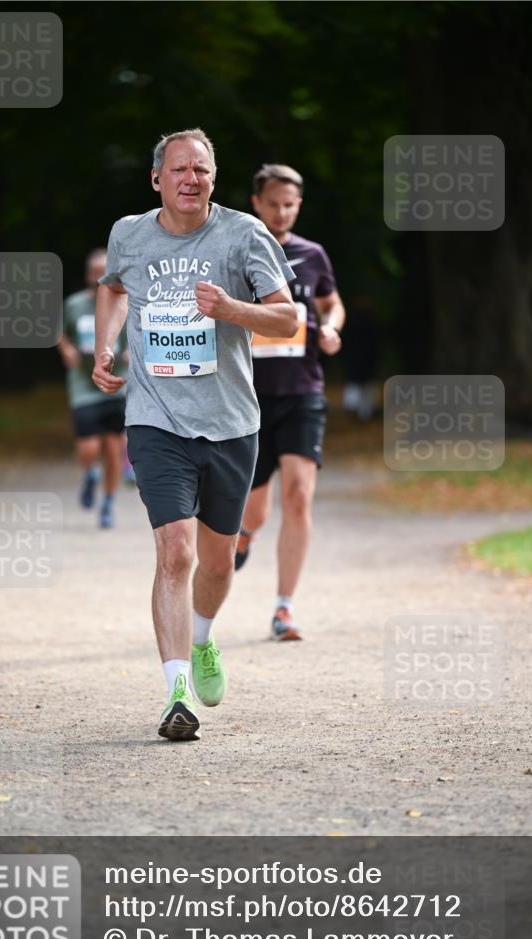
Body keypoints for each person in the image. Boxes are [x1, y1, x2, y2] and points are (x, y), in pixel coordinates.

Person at [92, 129, 296, 741]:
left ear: (214, 178)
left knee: (217, 560)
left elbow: (288, 319)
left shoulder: (243, 234)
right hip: (156, 418)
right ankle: (176, 691)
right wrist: (106, 345)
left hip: (232, 423)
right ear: (157, 179)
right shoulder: (129, 234)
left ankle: (203, 636)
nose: (190, 179)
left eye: (201, 170)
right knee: (174, 551)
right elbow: (113, 290)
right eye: (179, 169)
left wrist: (233, 309)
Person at [234, 164, 345, 641]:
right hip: (248, 398)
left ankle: (284, 608)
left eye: (290, 204)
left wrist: (334, 326)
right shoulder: (237, 250)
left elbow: (330, 302)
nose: (281, 212)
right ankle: (243, 535)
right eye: (273, 203)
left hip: (303, 393)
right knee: (255, 510)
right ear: (256, 203)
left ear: (298, 206)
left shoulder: (312, 255)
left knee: (298, 496)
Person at [57, 249, 128, 528]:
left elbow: (139, 332)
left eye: (104, 271)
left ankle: (108, 502)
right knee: (88, 448)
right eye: (94, 272)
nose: (99, 277)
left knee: (113, 449)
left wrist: (133, 353)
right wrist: (67, 349)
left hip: (116, 385)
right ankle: (90, 473)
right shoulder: (74, 304)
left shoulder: (125, 302)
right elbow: (58, 331)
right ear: (88, 274)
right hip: (83, 386)